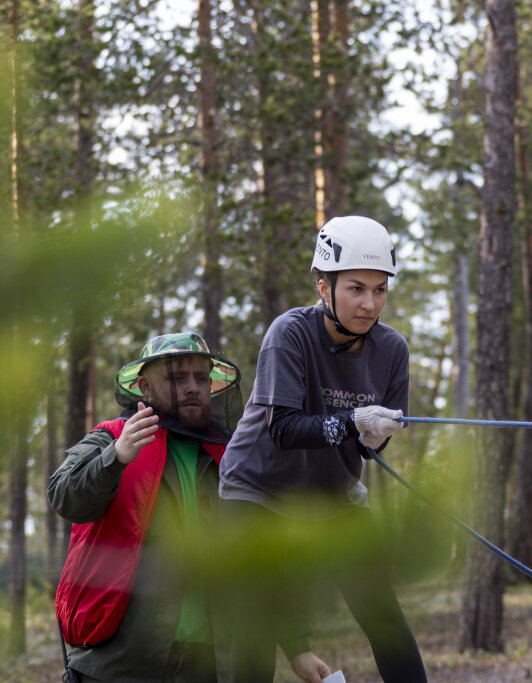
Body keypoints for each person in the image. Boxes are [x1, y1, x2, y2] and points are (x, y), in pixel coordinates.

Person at [50, 332, 331, 682]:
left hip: (210, 661)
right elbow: (63, 497)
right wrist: (116, 457)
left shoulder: (233, 457)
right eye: (176, 378)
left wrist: (296, 645)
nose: (193, 387)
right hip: (120, 661)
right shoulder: (112, 438)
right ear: (145, 387)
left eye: (201, 378)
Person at [218, 215, 428, 683]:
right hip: (257, 490)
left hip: (333, 496)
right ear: (323, 286)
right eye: (356, 288)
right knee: (252, 631)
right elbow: (285, 429)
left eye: (380, 290)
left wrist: (377, 437)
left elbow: (377, 440)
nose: (370, 303)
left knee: (383, 616)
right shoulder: (289, 334)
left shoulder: (393, 349)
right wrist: (354, 422)